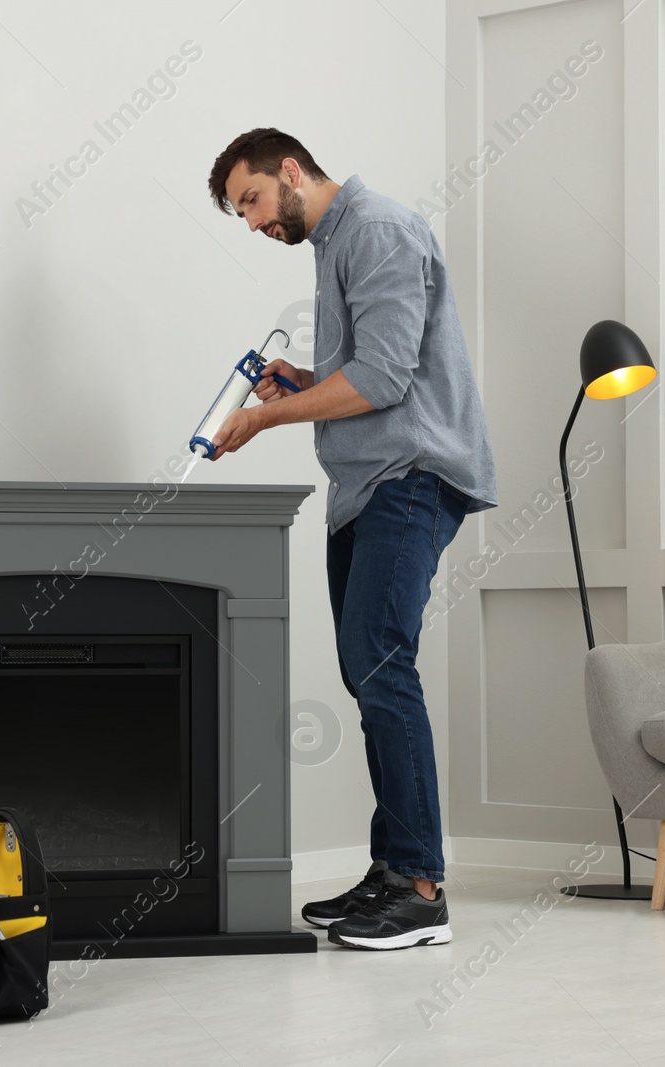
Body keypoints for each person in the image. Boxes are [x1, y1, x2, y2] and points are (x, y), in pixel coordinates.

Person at [204, 128, 497, 951]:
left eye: (253, 200)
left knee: (379, 662)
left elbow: (383, 377)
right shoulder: (334, 244)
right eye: (240, 214)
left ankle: (420, 887)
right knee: (367, 671)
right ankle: (393, 865)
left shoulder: (376, 229)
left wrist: (265, 415)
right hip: (367, 487)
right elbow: (361, 370)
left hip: (411, 476)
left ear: (290, 170)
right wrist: (299, 382)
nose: (254, 223)